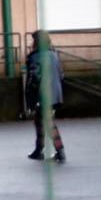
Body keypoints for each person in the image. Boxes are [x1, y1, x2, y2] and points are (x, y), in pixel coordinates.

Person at [25, 34, 65, 163]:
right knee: (39, 120)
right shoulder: (54, 55)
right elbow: (61, 75)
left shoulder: (36, 57)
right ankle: (39, 149)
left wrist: (31, 96)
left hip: (43, 94)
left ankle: (60, 151)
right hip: (55, 93)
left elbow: (34, 79)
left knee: (47, 122)